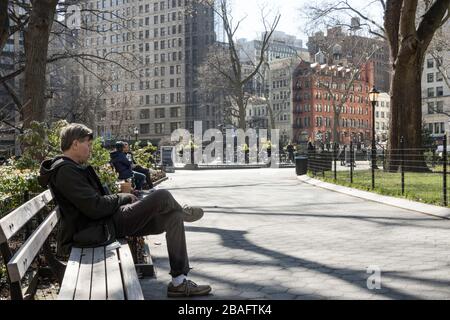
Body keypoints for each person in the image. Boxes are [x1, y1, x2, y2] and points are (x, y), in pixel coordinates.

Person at [38, 123, 211, 297]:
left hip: (105, 222)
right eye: (88, 145)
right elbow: (95, 208)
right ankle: (184, 212)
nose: (90, 149)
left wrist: (123, 199)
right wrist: (124, 197)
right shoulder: (66, 171)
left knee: (173, 218)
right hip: (98, 228)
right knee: (162, 196)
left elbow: (95, 203)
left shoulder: (71, 168)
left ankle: (179, 282)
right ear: (75, 144)